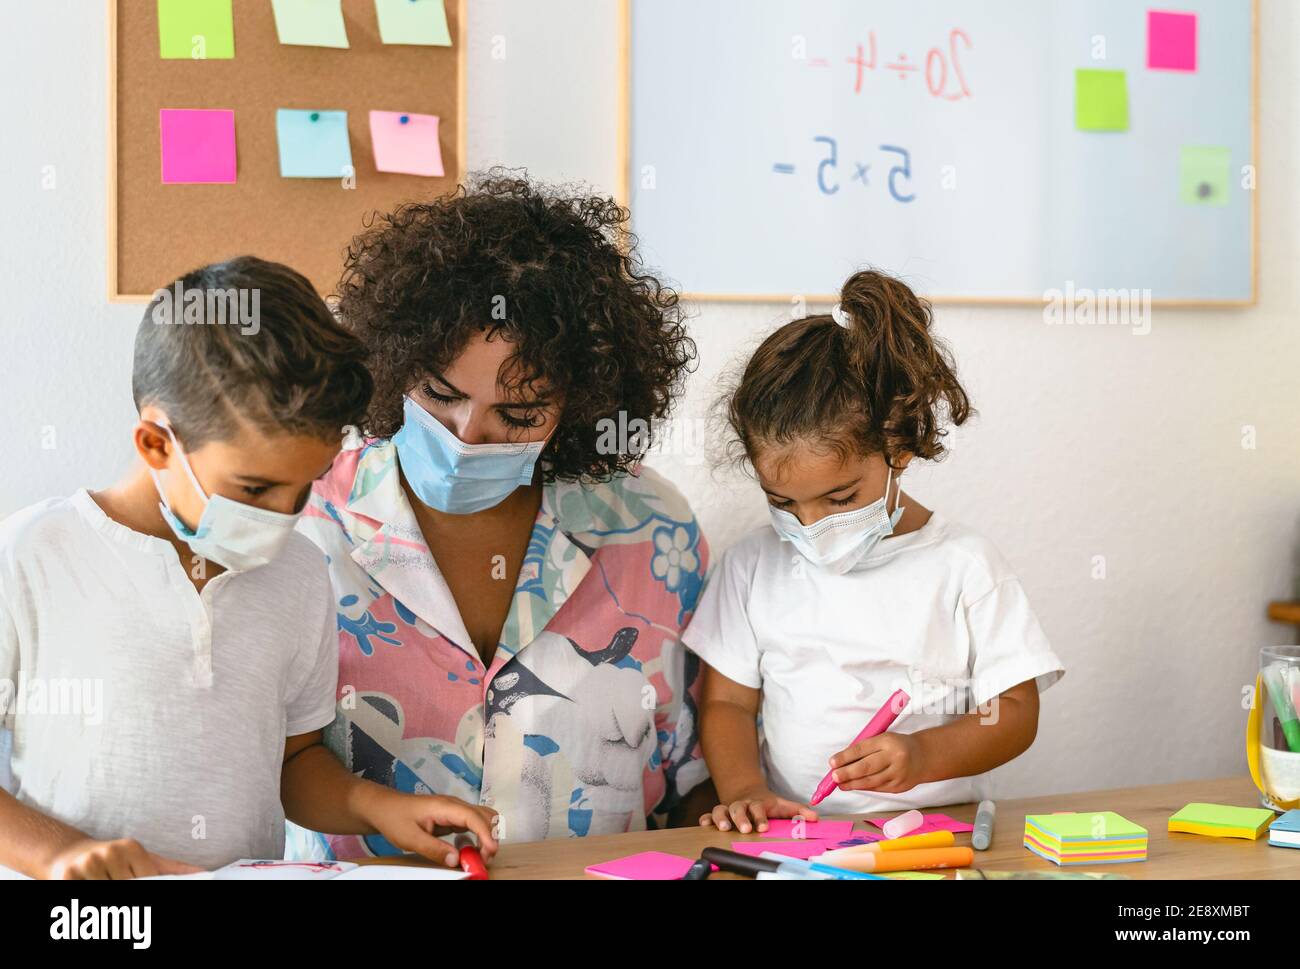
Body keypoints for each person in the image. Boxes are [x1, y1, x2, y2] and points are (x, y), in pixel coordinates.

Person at [685, 269, 1066, 833]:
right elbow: (727, 705)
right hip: (800, 837)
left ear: (899, 446)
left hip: (938, 835)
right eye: (783, 502)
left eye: (839, 498)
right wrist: (746, 788)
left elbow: (1013, 714)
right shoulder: (752, 567)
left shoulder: (964, 564)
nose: (811, 525)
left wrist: (924, 756)